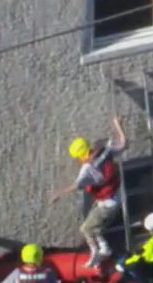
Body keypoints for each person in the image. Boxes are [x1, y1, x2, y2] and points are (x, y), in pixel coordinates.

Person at [48, 115, 128, 268]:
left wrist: (58, 194)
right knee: (96, 226)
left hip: (108, 203)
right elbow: (124, 144)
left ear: (80, 155)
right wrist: (118, 125)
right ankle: (104, 248)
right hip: (116, 195)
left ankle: (99, 252)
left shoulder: (87, 168)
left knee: (86, 229)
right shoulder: (106, 151)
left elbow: (76, 185)